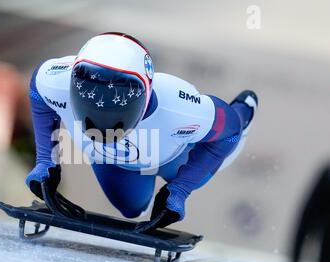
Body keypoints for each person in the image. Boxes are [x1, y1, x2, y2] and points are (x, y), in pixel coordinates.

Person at [26, 32, 258, 231]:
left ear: (147, 94)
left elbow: (229, 132)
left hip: (180, 154)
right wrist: (46, 162)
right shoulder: (54, 80)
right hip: (121, 159)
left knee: (229, 142)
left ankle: (243, 109)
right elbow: (38, 88)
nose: (103, 109)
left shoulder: (179, 107)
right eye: (91, 95)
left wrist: (181, 188)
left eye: (118, 99)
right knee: (131, 209)